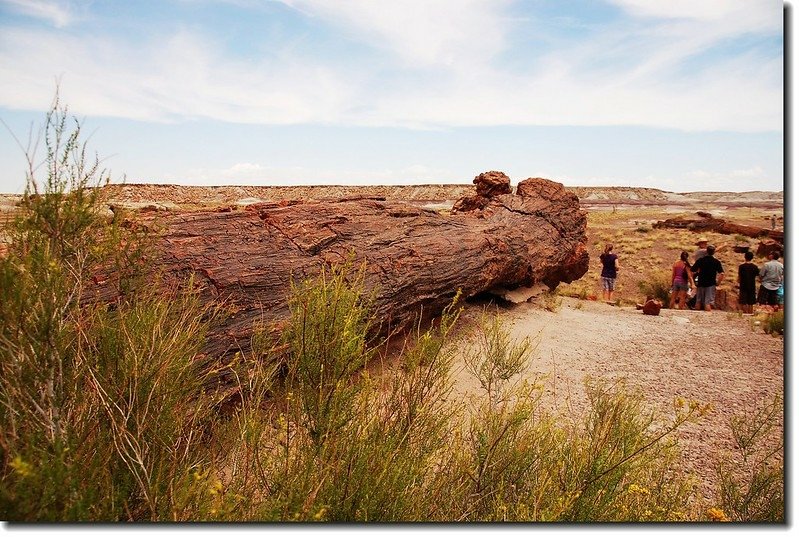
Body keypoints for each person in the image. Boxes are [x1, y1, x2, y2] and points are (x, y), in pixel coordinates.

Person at [691, 244, 724, 311]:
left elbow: (692, 270)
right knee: (707, 303)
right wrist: (718, 282)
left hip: (701, 282)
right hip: (711, 283)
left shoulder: (700, 260)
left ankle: (696, 316)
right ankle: (707, 317)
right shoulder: (716, 262)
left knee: (698, 301)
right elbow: (722, 273)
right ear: (713, 252)